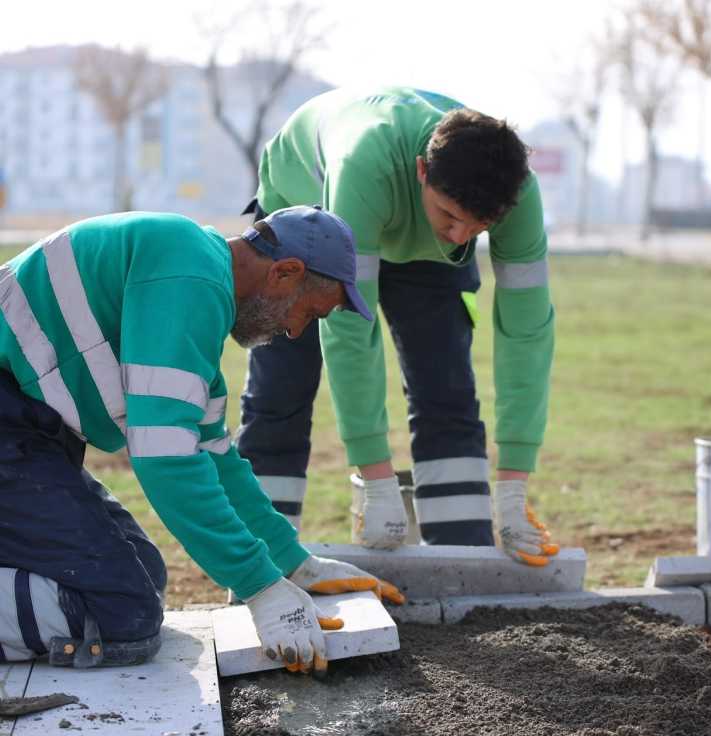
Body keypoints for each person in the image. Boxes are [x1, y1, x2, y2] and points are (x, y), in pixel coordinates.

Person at [0, 205, 403, 677]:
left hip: (25, 428)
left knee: (144, 577)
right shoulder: (189, 278)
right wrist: (260, 586)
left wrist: (292, 563)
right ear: (285, 272)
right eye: (309, 312)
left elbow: (215, 458)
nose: (295, 331)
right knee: (121, 615)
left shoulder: (195, 280)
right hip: (12, 420)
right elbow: (166, 458)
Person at [238, 86, 559, 565]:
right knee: (281, 393)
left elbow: (527, 330)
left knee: (445, 387)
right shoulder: (365, 164)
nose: (460, 237)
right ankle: (260, 565)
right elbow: (350, 330)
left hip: (409, 228)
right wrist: (376, 476)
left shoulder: (515, 193)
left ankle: (462, 564)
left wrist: (514, 483)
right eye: (450, 216)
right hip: (309, 220)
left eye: (479, 227)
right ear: (422, 171)